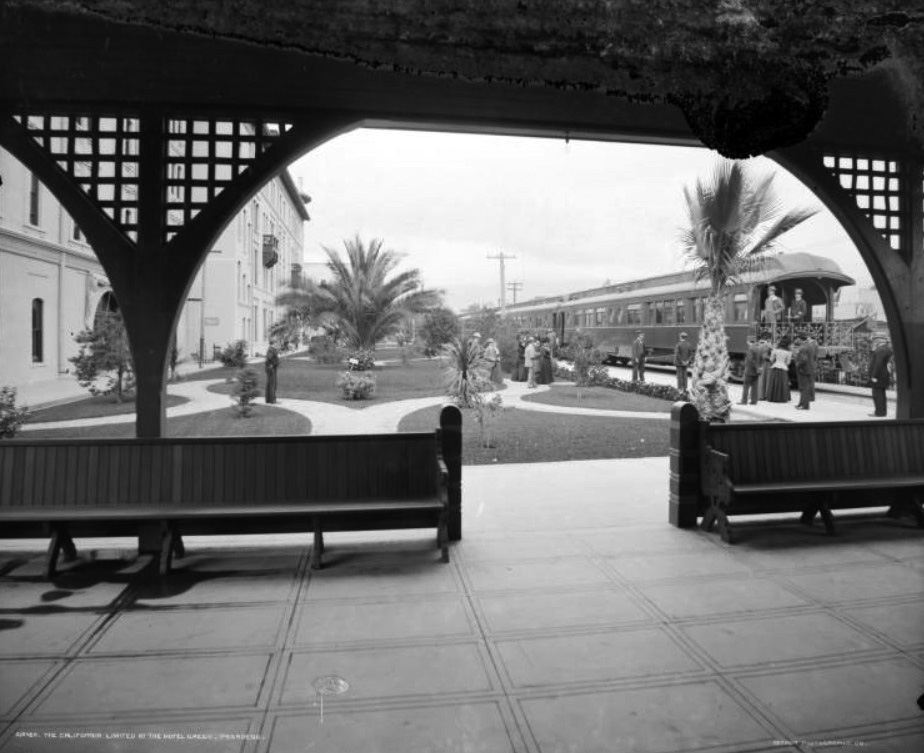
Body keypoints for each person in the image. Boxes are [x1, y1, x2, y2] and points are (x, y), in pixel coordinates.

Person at [868, 336, 892, 417]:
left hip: (878, 377)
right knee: (882, 394)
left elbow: (878, 364)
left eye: (875, 341)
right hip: (884, 375)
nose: (874, 343)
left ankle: (879, 412)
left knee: (877, 395)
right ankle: (883, 412)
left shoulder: (880, 350)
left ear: (879, 341)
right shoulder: (887, 349)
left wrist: (874, 376)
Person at [765, 336, 792, 403]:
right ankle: (782, 398)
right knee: (783, 384)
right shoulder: (788, 352)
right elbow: (788, 362)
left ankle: (772, 397)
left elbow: (771, 359)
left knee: (774, 383)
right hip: (783, 368)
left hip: (775, 367)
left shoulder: (775, 350)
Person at [793, 334, 816, 410]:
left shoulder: (803, 347)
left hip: (803, 370)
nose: (796, 340)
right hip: (808, 369)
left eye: (797, 338)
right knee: (804, 387)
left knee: (804, 388)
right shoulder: (810, 346)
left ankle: (805, 405)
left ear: (800, 339)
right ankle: (801, 403)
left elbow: (803, 359)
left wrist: (797, 364)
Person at [739, 335, 760, 405]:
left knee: (746, 386)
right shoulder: (758, 348)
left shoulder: (751, 349)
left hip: (750, 370)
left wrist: (746, 365)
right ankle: (754, 401)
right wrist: (758, 368)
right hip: (757, 371)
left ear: (748, 341)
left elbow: (750, 360)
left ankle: (744, 401)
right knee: (755, 386)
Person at [756, 332, 772, 400]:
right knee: (765, 379)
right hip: (765, 364)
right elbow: (765, 356)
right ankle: (764, 395)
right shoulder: (768, 345)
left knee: (759, 379)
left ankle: (758, 395)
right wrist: (771, 358)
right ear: (768, 338)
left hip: (758, 363)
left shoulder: (757, 344)